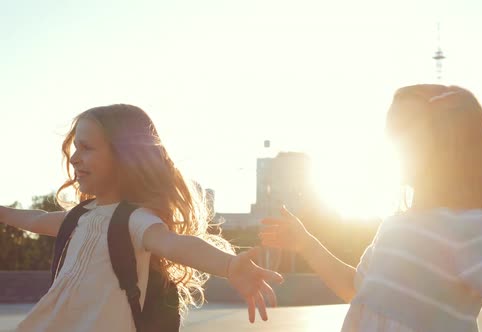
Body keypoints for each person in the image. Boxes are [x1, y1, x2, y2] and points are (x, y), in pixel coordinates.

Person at [259, 84, 482, 331]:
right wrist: (306, 243)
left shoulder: (469, 229)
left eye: (402, 132)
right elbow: (360, 291)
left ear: (447, 148)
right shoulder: (394, 226)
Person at [0, 104, 282, 331]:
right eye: (75, 148)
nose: (74, 158)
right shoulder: (79, 217)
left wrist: (230, 265)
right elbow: (36, 219)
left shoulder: (133, 219)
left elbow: (173, 244)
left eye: (86, 148)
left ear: (124, 157)